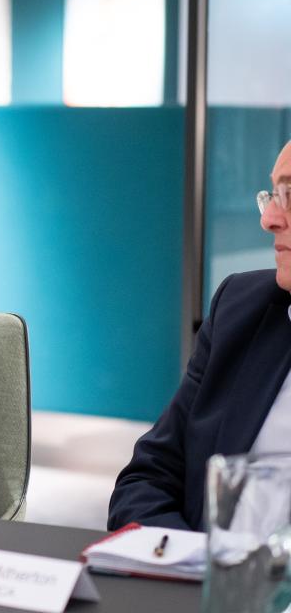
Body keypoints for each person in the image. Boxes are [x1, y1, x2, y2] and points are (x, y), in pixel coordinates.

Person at [109, 140, 291, 531]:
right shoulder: (240, 311)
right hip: (213, 583)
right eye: (273, 195)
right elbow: (146, 479)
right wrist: (191, 577)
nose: (270, 218)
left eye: (290, 196)